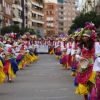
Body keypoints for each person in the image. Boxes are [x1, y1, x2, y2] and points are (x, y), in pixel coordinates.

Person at [75, 24, 96, 100]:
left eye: (86, 36)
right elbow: (76, 55)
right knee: (83, 83)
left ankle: (92, 97)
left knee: (91, 83)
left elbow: (98, 55)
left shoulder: (95, 44)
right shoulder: (81, 45)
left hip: (92, 65)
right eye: (83, 36)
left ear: (89, 37)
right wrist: (79, 57)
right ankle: (85, 97)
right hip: (83, 65)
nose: (84, 37)